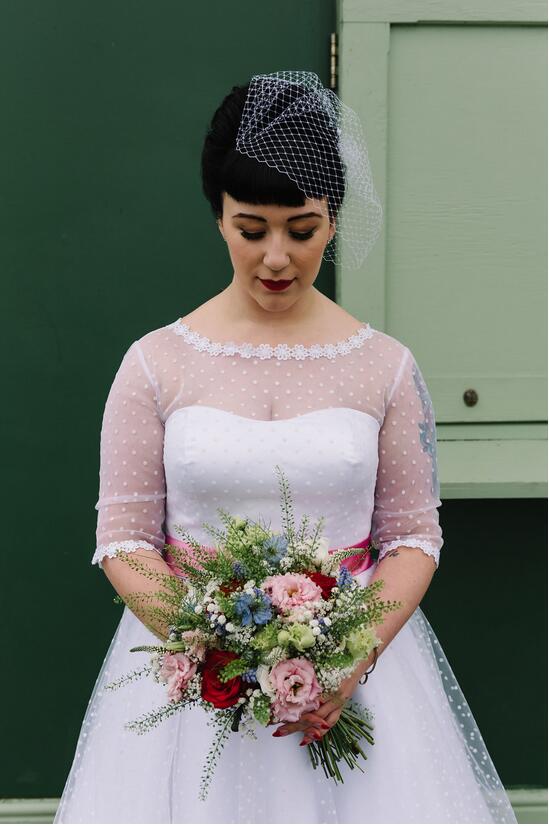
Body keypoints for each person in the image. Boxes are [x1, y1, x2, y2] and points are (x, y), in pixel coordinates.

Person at [54, 72, 517, 824]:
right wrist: (223, 647)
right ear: (218, 219)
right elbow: (123, 539)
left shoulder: (385, 366)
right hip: (192, 685)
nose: (276, 257)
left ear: (333, 220)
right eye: (251, 228)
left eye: (301, 230)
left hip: (356, 678)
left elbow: (410, 535)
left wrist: (346, 656)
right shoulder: (155, 363)